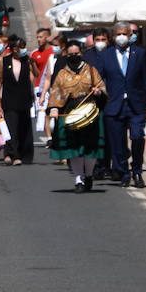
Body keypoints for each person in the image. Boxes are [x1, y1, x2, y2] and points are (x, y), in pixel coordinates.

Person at [96, 22, 146, 188]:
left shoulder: (140, 54)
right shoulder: (105, 55)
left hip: (136, 104)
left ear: (130, 36)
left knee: (137, 136)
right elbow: (99, 78)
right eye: (118, 34)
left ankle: (137, 171)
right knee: (117, 144)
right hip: (114, 105)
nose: (121, 37)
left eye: (125, 34)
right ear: (113, 37)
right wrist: (97, 89)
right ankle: (124, 173)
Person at [46, 40, 108, 191]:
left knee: (90, 148)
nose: (74, 56)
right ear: (66, 54)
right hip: (70, 112)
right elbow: (55, 93)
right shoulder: (61, 73)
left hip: (90, 112)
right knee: (74, 149)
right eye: (71, 54)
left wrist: (99, 91)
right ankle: (78, 178)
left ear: (82, 53)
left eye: (77, 53)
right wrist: (54, 108)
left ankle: (89, 175)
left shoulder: (92, 70)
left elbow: (103, 88)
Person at [0, 36, 35, 165]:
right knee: (12, 127)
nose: (22, 50)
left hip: (24, 98)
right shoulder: (5, 61)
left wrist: (32, 63)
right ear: (14, 49)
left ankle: (25, 154)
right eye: (20, 47)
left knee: (24, 128)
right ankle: (13, 154)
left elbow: (34, 75)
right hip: (9, 99)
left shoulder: (26, 61)